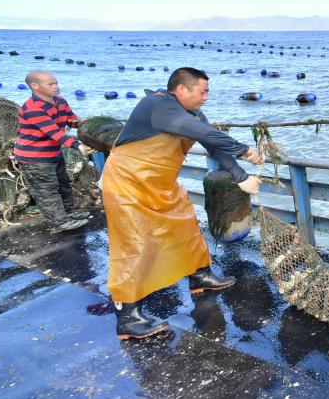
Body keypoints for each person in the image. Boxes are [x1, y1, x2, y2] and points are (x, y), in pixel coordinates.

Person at [101, 67, 263, 340]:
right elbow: (198, 131)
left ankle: (200, 277)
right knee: (135, 245)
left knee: (187, 228)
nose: (206, 98)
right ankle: (127, 316)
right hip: (127, 184)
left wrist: (241, 177)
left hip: (162, 185)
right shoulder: (157, 105)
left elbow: (213, 144)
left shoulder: (195, 114)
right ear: (181, 90)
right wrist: (245, 149)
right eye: (203, 92)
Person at [13, 70, 92, 234]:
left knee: (64, 184)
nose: (56, 87)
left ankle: (70, 213)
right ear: (34, 86)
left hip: (53, 152)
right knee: (47, 190)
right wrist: (78, 145)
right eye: (50, 84)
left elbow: (71, 120)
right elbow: (54, 132)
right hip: (34, 157)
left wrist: (87, 124)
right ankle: (58, 223)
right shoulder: (32, 108)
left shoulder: (60, 101)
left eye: (56, 82)